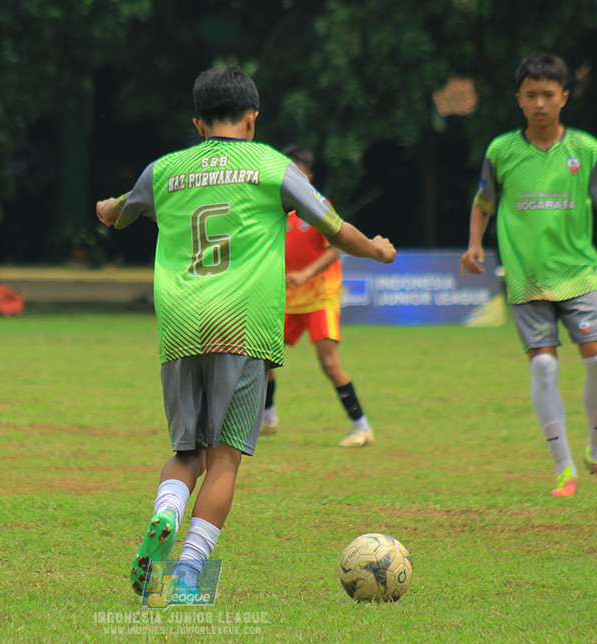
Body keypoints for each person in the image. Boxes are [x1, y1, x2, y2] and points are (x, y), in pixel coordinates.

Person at [95, 66, 396, 600]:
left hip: (181, 325)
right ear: (252, 120)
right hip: (242, 327)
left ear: (197, 123)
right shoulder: (272, 166)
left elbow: (114, 213)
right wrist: (376, 247)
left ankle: (165, 512)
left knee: (186, 452)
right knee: (225, 460)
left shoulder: (163, 170)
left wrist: (107, 208)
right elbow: (333, 226)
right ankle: (187, 575)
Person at [461, 52, 597, 498]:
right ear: (518, 98)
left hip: (578, 276)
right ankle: (564, 469)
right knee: (547, 368)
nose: (539, 103)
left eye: (548, 95)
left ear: (564, 97)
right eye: (530, 95)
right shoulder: (501, 152)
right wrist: (475, 243)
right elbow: (484, 202)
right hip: (527, 279)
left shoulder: (586, 151)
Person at [260, 145, 374, 448]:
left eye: (295, 171)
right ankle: (268, 418)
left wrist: (307, 274)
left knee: (328, 361)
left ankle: (361, 427)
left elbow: (337, 247)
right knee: (263, 359)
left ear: (307, 176)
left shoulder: (318, 204)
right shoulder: (275, 208)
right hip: (288, 296)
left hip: (320, 293)